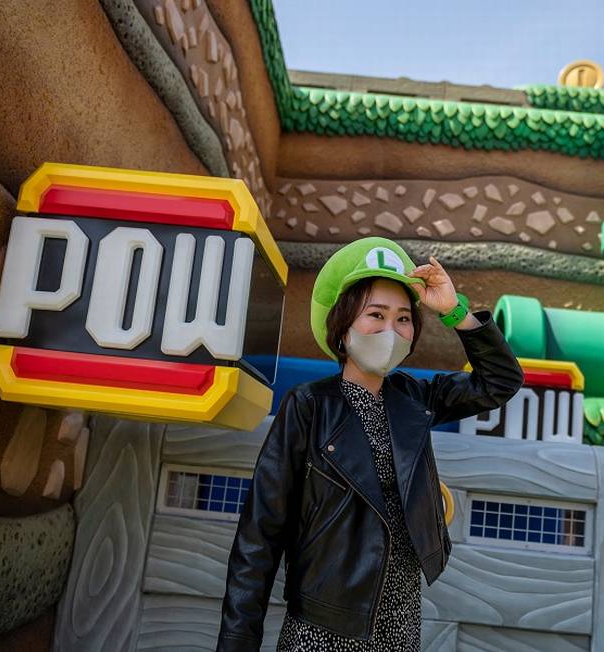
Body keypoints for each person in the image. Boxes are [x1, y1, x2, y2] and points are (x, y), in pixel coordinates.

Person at [216, 237, 523, 651]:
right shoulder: (308, 406)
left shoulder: (414, 398)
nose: (390, 331)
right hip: (323, 624)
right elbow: (260, 533)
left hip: (400, 622)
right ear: (342, 328)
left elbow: (500, 382)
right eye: (375, 315)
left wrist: (455, 311)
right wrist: (238, 641)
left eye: (403, 319)